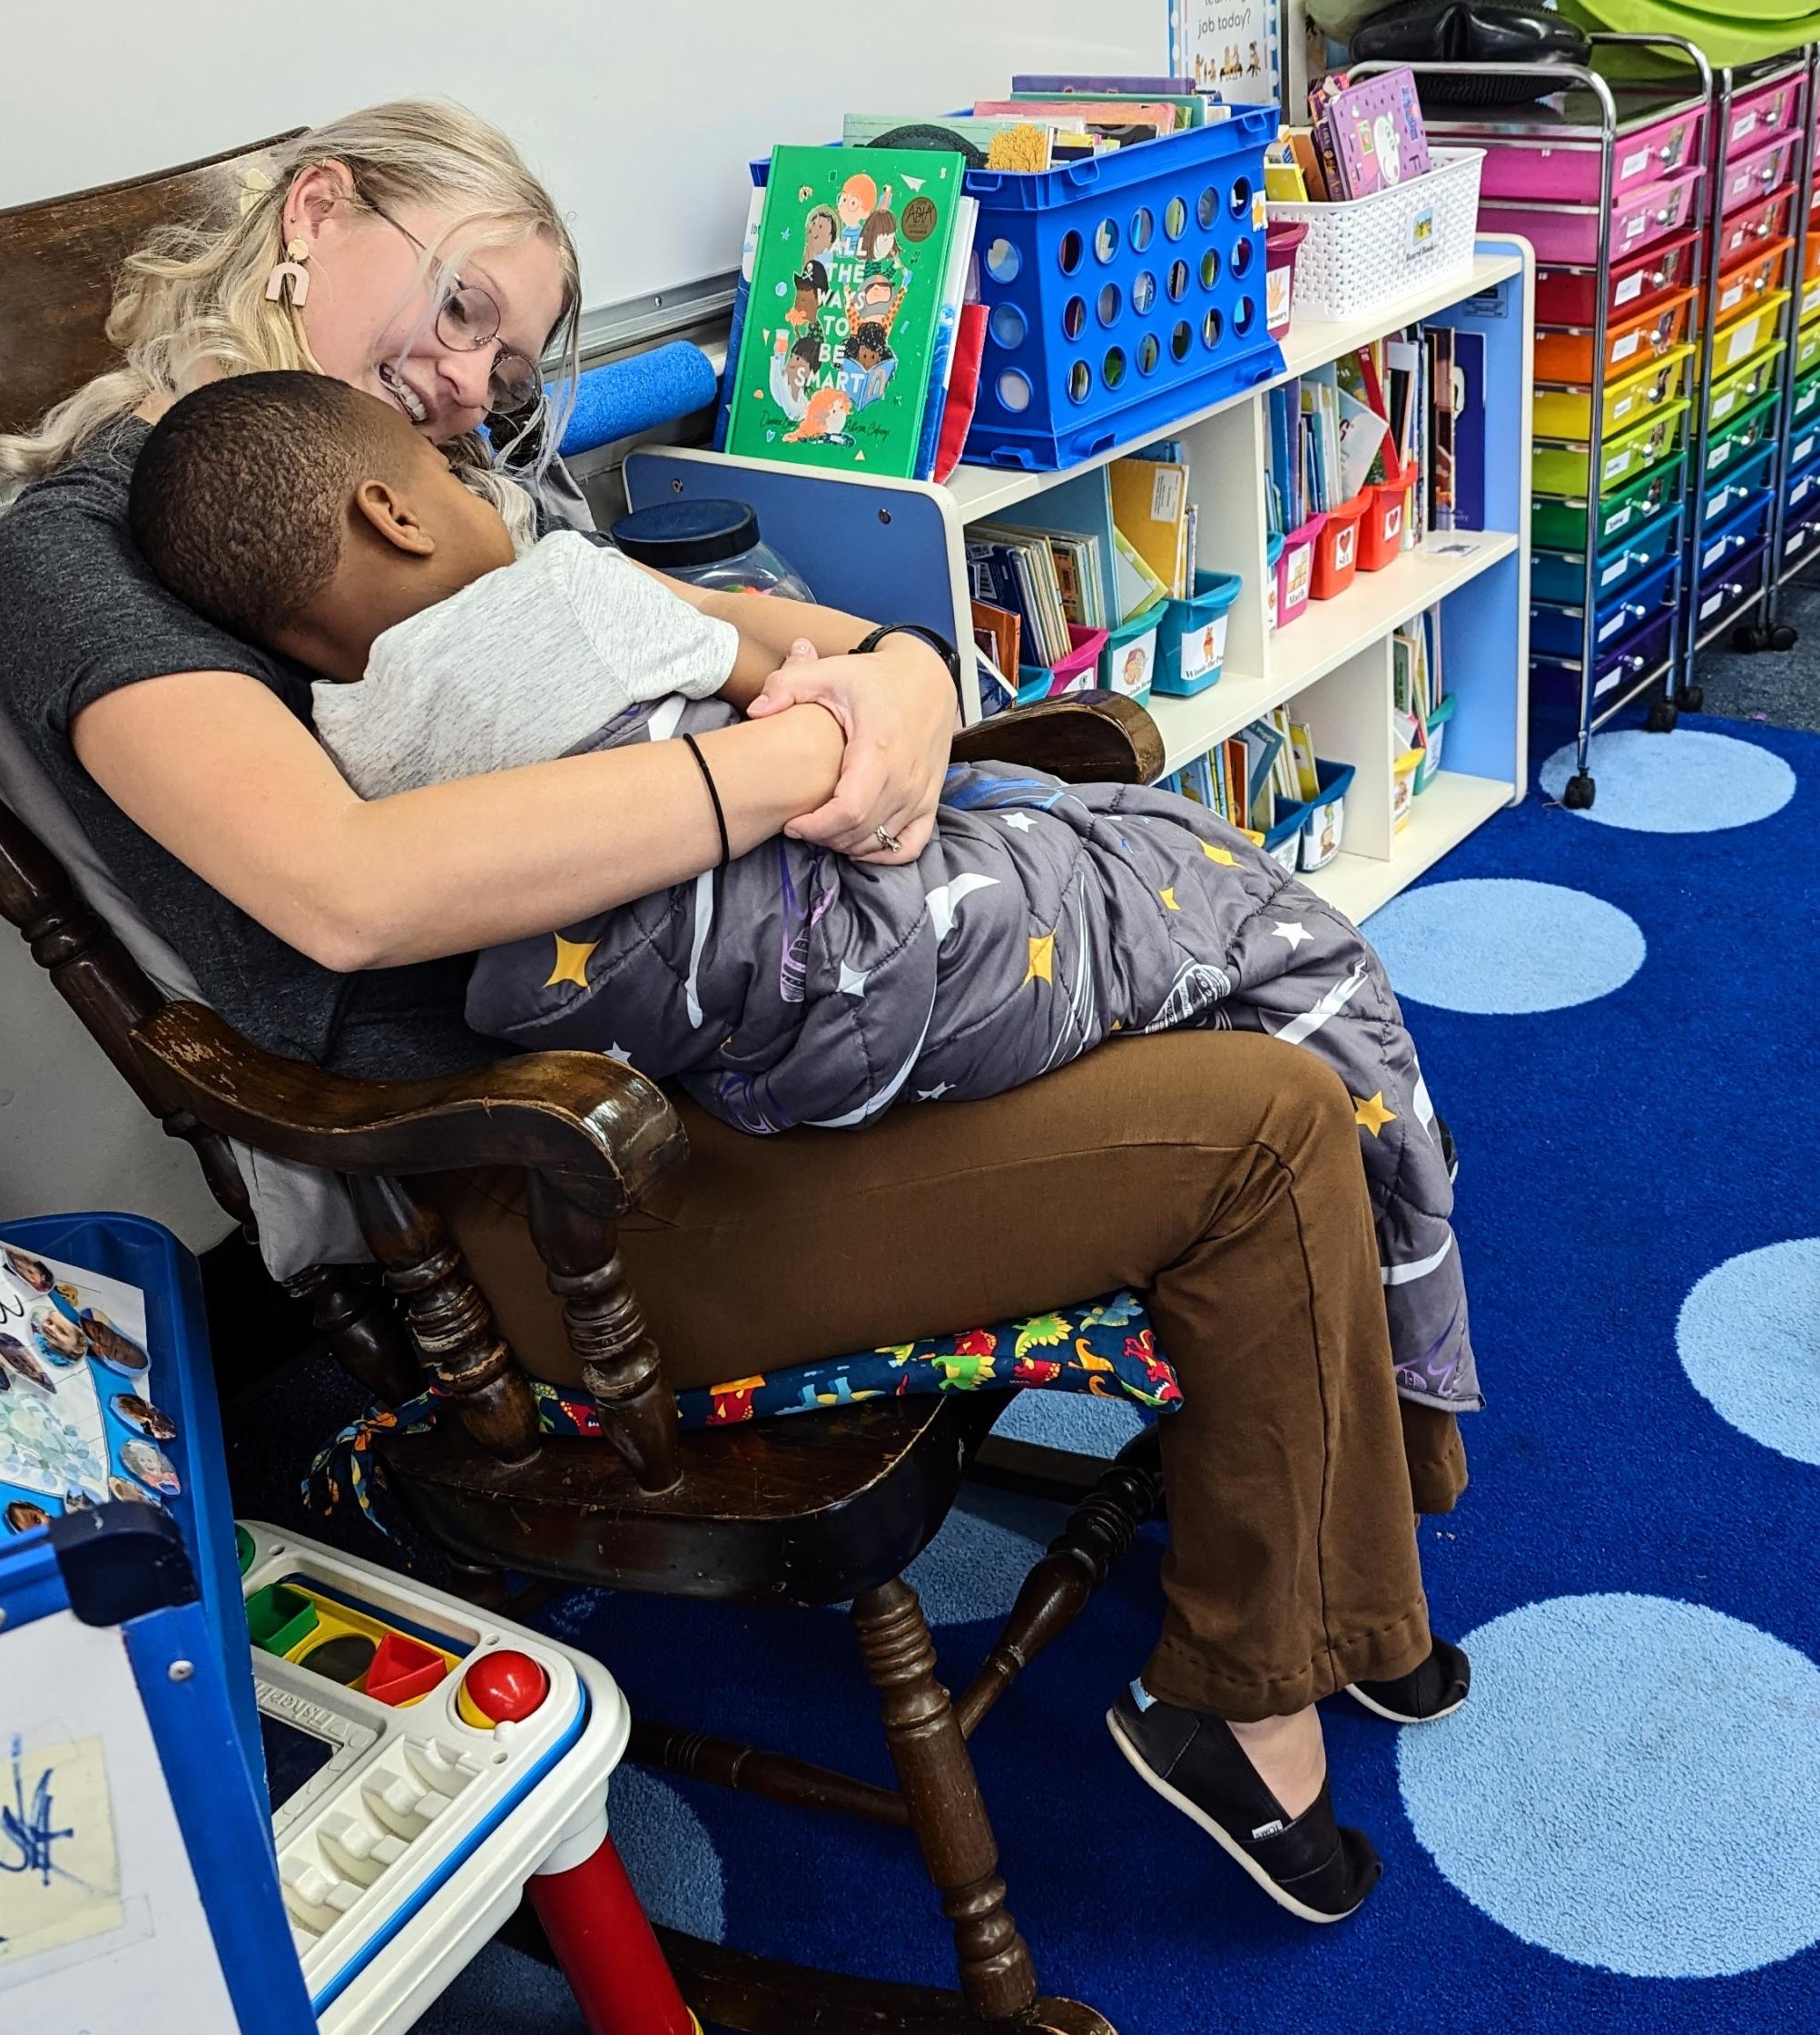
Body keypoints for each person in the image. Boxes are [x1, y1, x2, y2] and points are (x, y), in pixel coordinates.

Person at [0, 100, 1471, 1926]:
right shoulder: (88, 555)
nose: (459, 384)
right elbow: (345, 888)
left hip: (722, 1053)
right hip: (553, 1180)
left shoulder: (459, 503)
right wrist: (788, 772)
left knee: (1229, 985)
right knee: (1259, 1122)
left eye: (501, 365)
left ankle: (1331, 1585)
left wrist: (900, 691)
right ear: (311, 211)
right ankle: (1257, 1699)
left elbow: (751, 631)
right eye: (456, 312)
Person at [126, 373, 1476, 1422]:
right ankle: (1416, 1296)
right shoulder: (566, 591)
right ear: (396, 513)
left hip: (749, 1084)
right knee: (1244, 901)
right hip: (897, 975)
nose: (497, 489)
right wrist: (857, 703)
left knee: (1111, 876)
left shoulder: (344, 744)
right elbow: (796, 669)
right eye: (451, 472)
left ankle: (1341, 1299)